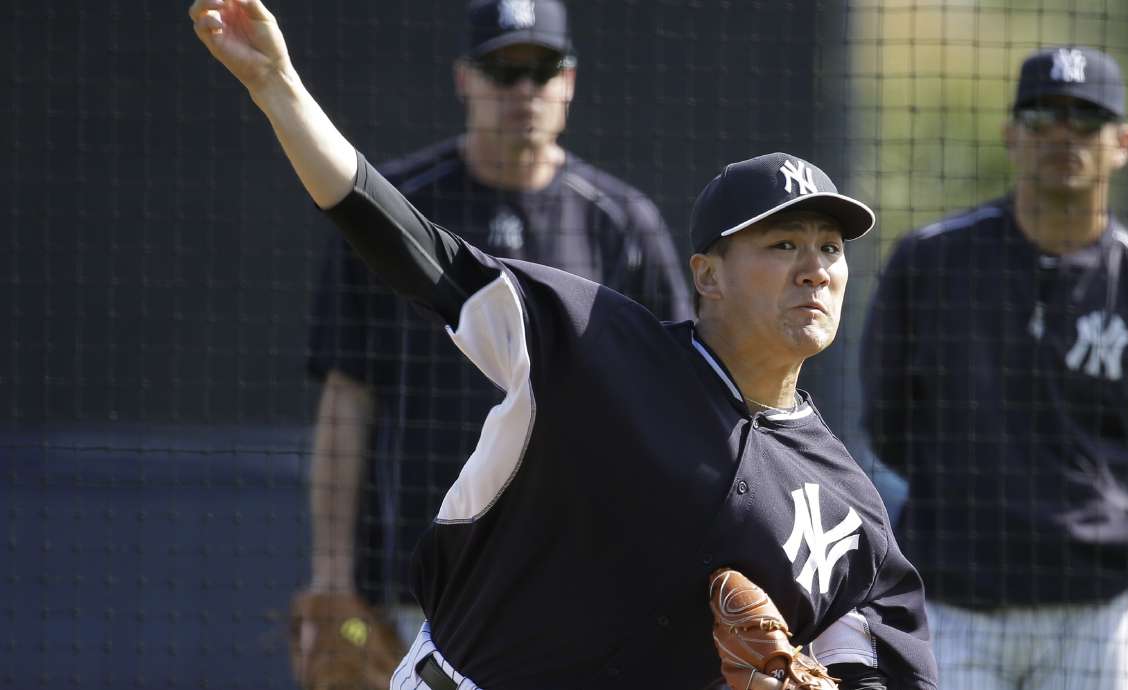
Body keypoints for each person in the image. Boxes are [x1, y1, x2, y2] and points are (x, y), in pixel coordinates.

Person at [187, 1, 938, 687]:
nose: (816, 269)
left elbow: (883, 660)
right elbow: (412, 246)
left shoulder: (846, 507)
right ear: (707, 276)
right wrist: (278, 87)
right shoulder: (596, 349)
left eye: (831, 247)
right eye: (783, 245)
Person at [301, 0, 690, 685]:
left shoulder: (621, 222)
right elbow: (345, 400)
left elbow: (674, 404)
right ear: (464, 79)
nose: (523, 91)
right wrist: (333, 576)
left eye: (541, 70)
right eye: (501, 71)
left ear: (569, 80)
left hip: (574, 581)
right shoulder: (399, 214)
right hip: (418, 580)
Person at [861, 46, 1128, 690]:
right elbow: (889, 425)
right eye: (1041, 115)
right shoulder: (928, 266)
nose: (1061, 133)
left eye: (1085, 118)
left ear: (1122, 143)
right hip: (954, 598)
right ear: (1010, 135)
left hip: (1107, 609)